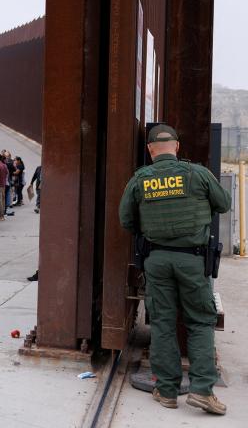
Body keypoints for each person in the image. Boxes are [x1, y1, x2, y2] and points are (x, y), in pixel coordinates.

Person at [119, 124, 231, 415]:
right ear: (177, 147)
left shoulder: (140, 180)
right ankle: (202, 391)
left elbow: (126, 220)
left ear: (150, 150)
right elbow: (224, 203)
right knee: (199, 322)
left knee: (162, 323)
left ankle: (166, 391)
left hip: (156, 260)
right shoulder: (198, 174)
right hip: (193, 260)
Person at [0, 156, 9, 220]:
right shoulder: (4, 165)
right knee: (3, 200)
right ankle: (2, 215)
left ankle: (1, 216)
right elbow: (7, 173)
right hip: (3, 184)